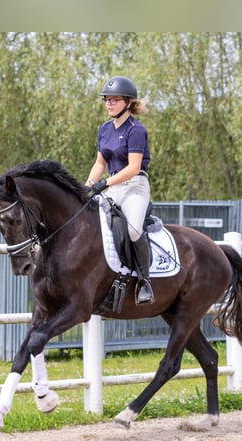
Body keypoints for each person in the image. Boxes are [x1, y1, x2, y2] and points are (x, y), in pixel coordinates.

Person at [86, 75, 154, 305]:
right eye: (106, 100)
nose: (109, 104)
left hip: (134, 186)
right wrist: (86, 186)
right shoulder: (104, 129)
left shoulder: (136, 130)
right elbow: (100, 164)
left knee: (134, 230)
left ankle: (145, 281)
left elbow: (134, 168)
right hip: (113, 185)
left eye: (114, 100)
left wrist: (104, 183)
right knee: (92, 225)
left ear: (127, 102)